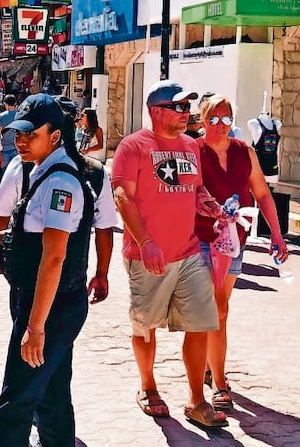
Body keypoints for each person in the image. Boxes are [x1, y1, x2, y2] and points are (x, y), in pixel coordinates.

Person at [0, 94, 114, 446]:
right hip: (47, 302)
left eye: (30, 134)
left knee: (16, 404)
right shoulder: (43, 170)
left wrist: (35, 328)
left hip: (50, 307)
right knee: (50, 394)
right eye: (18, 134)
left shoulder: (60, 183)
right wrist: (3, 240)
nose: (20, 141)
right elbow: (35, 232)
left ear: (55, 136)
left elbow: (54, 258)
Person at [110, 79, 231, 429]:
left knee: (201, 323)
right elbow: (123, 197)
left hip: (190, 252)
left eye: (187, 107)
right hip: (148, 253)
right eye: (178, 107)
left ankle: (196, 400)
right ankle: (148, 386)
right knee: (145, 326)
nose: (186, 113)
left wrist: (209, 205)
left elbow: (194, 188)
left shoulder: (191, 146)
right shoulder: (133, 147)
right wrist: (146, 242)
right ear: (156, 111)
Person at [196, 94, 289, 411]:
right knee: (216, 309)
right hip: (202, 239)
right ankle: (219, 384)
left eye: (225, 119)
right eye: (213, 119)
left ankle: (211, 365)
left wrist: (276, 234)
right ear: (203, 120)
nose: (220, 125)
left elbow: (262, 194)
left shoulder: (244, 152)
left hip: (234, 240)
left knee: (222, 307)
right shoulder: (193, 151)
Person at [0, 94, 19, 171]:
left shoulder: (1, 117)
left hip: (4, 149)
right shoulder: (19, 115)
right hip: (16, 148)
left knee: (4, 174)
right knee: (15, 172)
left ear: (5, 104)